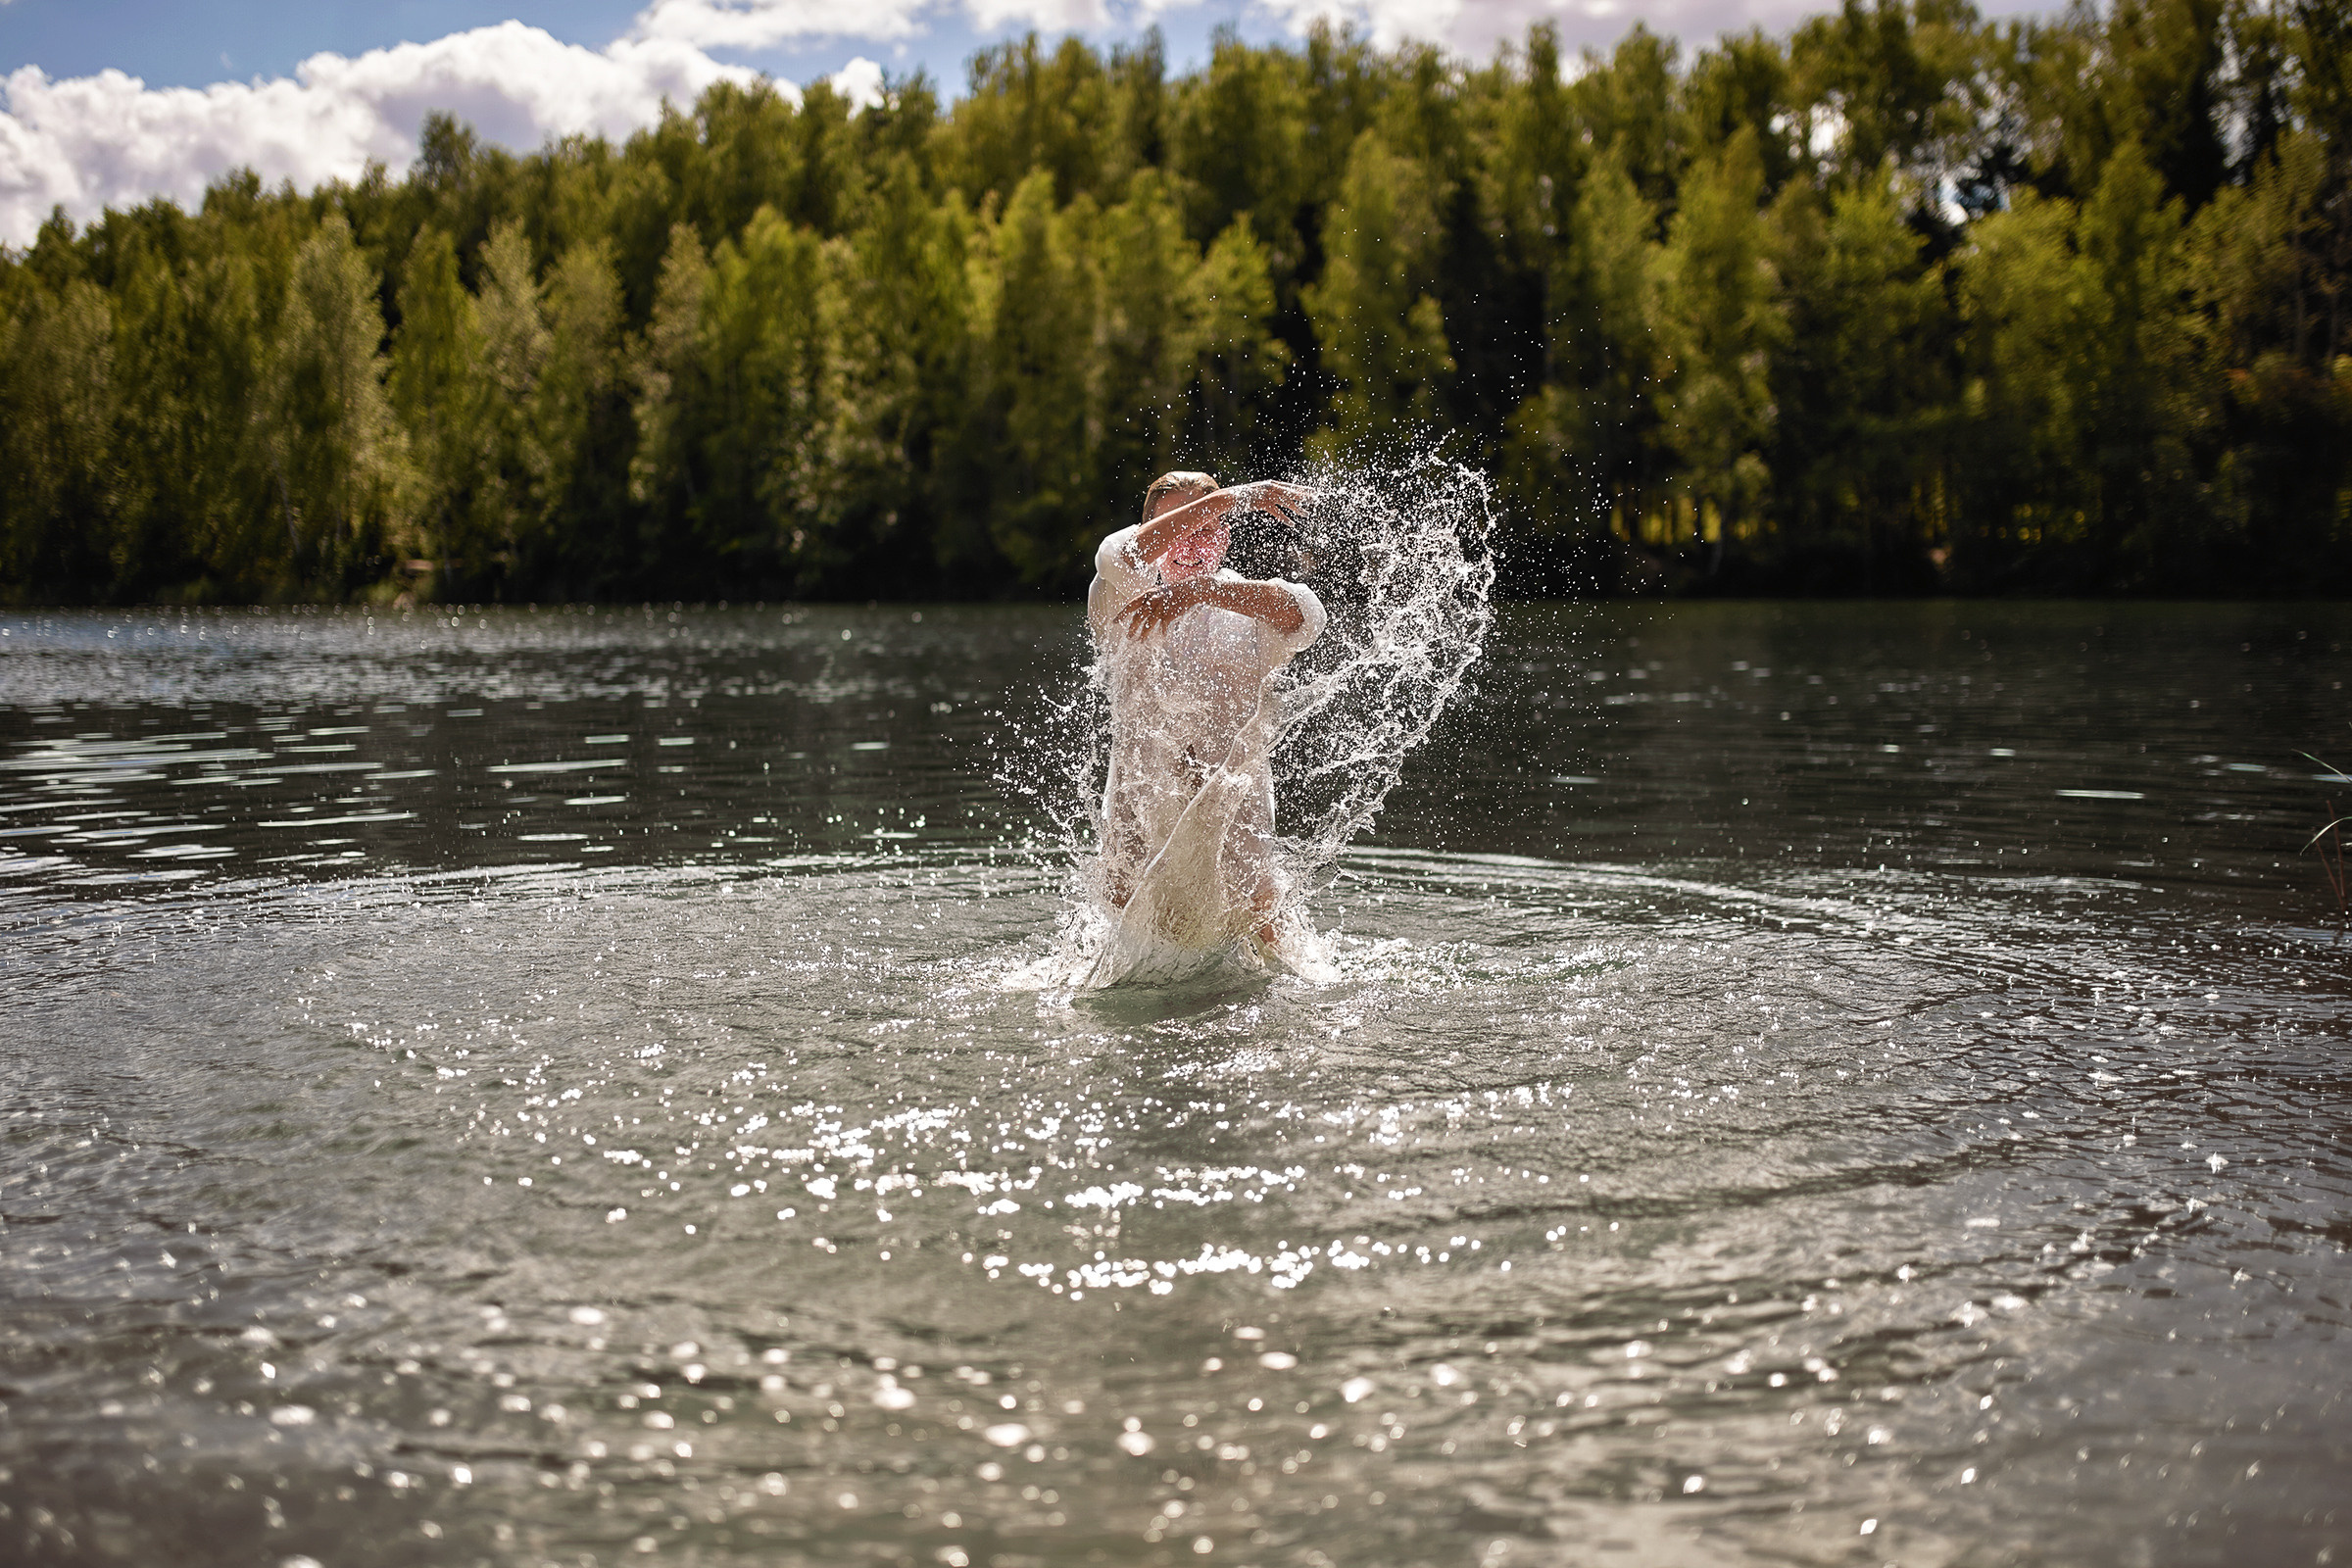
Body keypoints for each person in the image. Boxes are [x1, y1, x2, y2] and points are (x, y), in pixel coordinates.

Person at [1087, 470, 1327, 963]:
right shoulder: (1120, 593)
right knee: (1121, 952)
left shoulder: (1243, 599)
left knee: (1274, 948)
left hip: (1234, 816)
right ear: (1153, 530)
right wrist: (1235, 497)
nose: (1191, 542)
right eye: (1178, 526)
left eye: (1210, 525)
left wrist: (1201, 593)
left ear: (1226, 532)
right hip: (1141, 812)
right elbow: (1120, 553)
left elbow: (1306, 616)